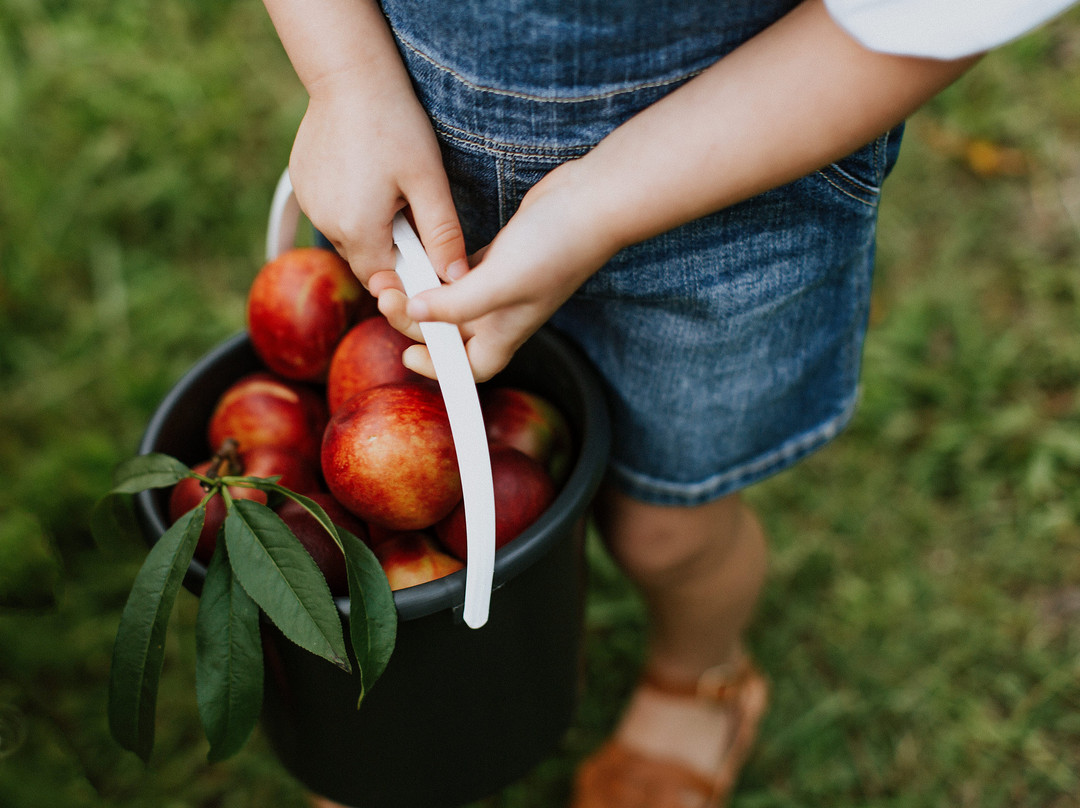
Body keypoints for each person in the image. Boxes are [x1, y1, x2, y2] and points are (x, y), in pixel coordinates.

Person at [259, 1, 1077, 805]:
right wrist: (345, 72)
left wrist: (598, 205)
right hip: (428, 164)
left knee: (667, 530)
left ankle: (698, 676)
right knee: (426, 470)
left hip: (726, 188)